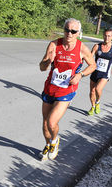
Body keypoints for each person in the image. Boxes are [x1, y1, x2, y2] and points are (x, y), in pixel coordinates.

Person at [39, 18, 96, 161]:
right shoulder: (54, 44)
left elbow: (93, 65)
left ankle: (55, 140)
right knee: (45, 124)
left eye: (73, 31)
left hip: (66, 90)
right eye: (67, 30)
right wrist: (48, 61)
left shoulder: (82, 49)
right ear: (63, 29)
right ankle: (48, 144)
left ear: (78, 33)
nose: (69, 34)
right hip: (50, 88)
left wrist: (80, 75)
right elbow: (42, 67)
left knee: (52, 122)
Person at [88, 28, 112, 116]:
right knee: (92, 91)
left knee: (98, 89)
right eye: (105, 35)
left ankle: (98, 102)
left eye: (109, 36)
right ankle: (92, 107)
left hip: (105, 73)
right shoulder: (97, 46)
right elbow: (90, 57)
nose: (107, 38)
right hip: (95, 71)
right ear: (103, 35)